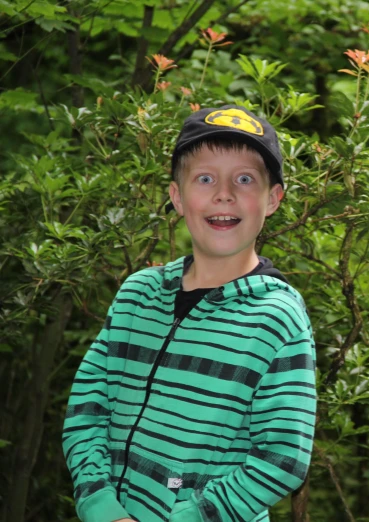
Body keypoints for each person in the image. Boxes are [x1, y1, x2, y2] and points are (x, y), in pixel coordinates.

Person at [62, 105, 317, 522]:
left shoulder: (276, 316)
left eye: (245, 179)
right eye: (205, 178)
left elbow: (282, 457)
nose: (224, 193)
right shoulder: (137, 295)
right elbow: (87, 409)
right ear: (177, 197)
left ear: (273, 199)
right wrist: (99, 504)